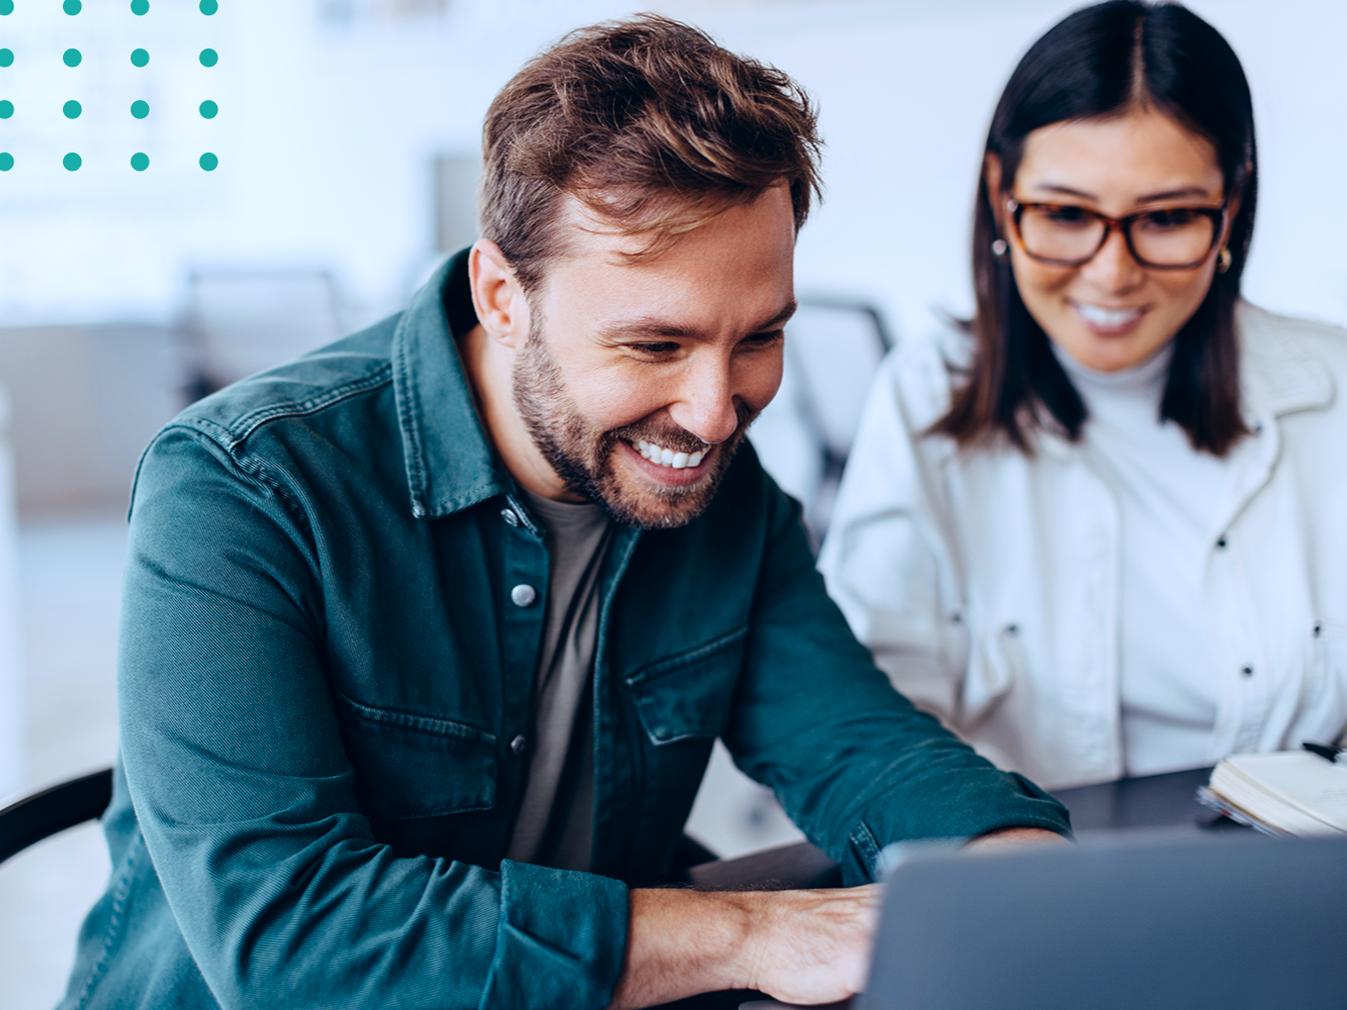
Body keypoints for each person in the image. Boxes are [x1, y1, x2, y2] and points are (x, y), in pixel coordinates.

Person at [60, 16, 1069, 1010]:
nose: (716, 413)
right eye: (655, 345)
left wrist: (1021, 874)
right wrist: (754, 930)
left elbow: (859, 745)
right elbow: (296, 941)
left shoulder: (719, 490)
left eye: (758, 337)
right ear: (503, 296)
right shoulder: (242, 488)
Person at [821, 0, 1347, 793]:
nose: (1111, 274)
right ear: (1001, 193)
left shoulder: (1333, 393)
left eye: (1166, 217)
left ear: (1230, 206)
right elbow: (867, 722)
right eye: (1066, 214)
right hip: (1023, 878)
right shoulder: (924, 395)